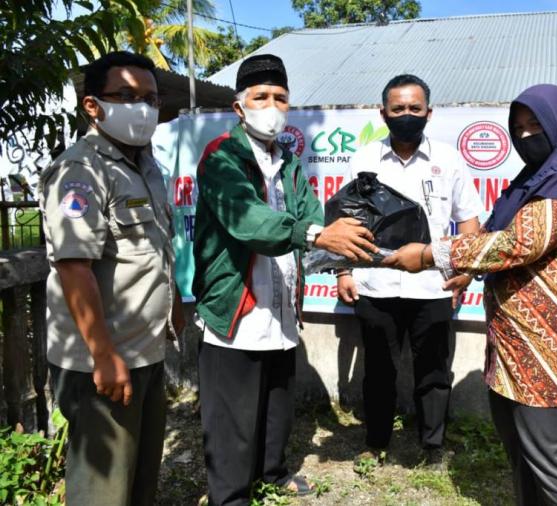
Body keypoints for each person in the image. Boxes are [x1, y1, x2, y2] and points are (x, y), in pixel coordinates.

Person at [384, 84, 557, 506]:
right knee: (520, 452)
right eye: (517, 128)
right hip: (512, 346)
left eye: (535, 125)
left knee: (548, 458)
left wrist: (434, 254)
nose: (525, 136)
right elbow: (490, 236)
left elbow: (517, 245)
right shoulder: (530, 183)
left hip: (550, 348)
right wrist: (465, 268)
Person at [192, 54, 377, 505]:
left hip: (280, 308)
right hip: (236, 310)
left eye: (280, 97)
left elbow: (313, 219)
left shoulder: (290, 163)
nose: (272, 105)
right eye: (261, 97)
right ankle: (230, 496)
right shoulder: (222, 158)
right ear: (240, 107)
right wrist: (315, 232)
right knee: (233, 419)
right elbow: (249, 221)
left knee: (277, 403)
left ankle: (271, 475)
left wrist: (350, 251)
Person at [39, 51, 183, 505]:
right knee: (101, 492)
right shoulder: (81, 171)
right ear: (92, 106)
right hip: (101, 361)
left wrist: (173, 308)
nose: (142, 108)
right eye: (127, 96)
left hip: (144, 349)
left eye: (151, 99)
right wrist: (103, 356)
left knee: (138, 482)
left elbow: (154, 247)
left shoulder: (145, 163)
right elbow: (73, 266)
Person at [336, 74, 484, 463]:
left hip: (432, 288)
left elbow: (469, 222)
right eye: (398, 109)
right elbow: (346, 221)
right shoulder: (364, 158)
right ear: (382, 113)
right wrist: (343, 272)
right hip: (376, 284)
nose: (406, 115)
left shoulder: (449, 160)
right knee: (379, 372)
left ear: (429, 113)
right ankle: (376, 443)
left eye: (414, 109)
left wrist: (465, 271)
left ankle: (432, 445)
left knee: (434, 372)